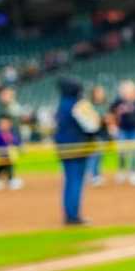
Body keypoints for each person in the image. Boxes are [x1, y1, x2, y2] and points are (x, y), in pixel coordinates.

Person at [55, 78, 101, 227]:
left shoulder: (62, 104)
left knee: (69, 181)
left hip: (64, 147)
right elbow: (92, 126)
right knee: (75, 182)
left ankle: (70, 214)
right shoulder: (79, 104)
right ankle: (73, 216)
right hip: (79, 148)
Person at [0, 113, 23, 190]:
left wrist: (16, 150)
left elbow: (18, 145)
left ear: (10, 124)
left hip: (9, 158)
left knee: (9, 161)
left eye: (6, 123)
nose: (4, 125)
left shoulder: (12, 134)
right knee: (5, 160)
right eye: (2, 123)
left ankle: (1, 177)